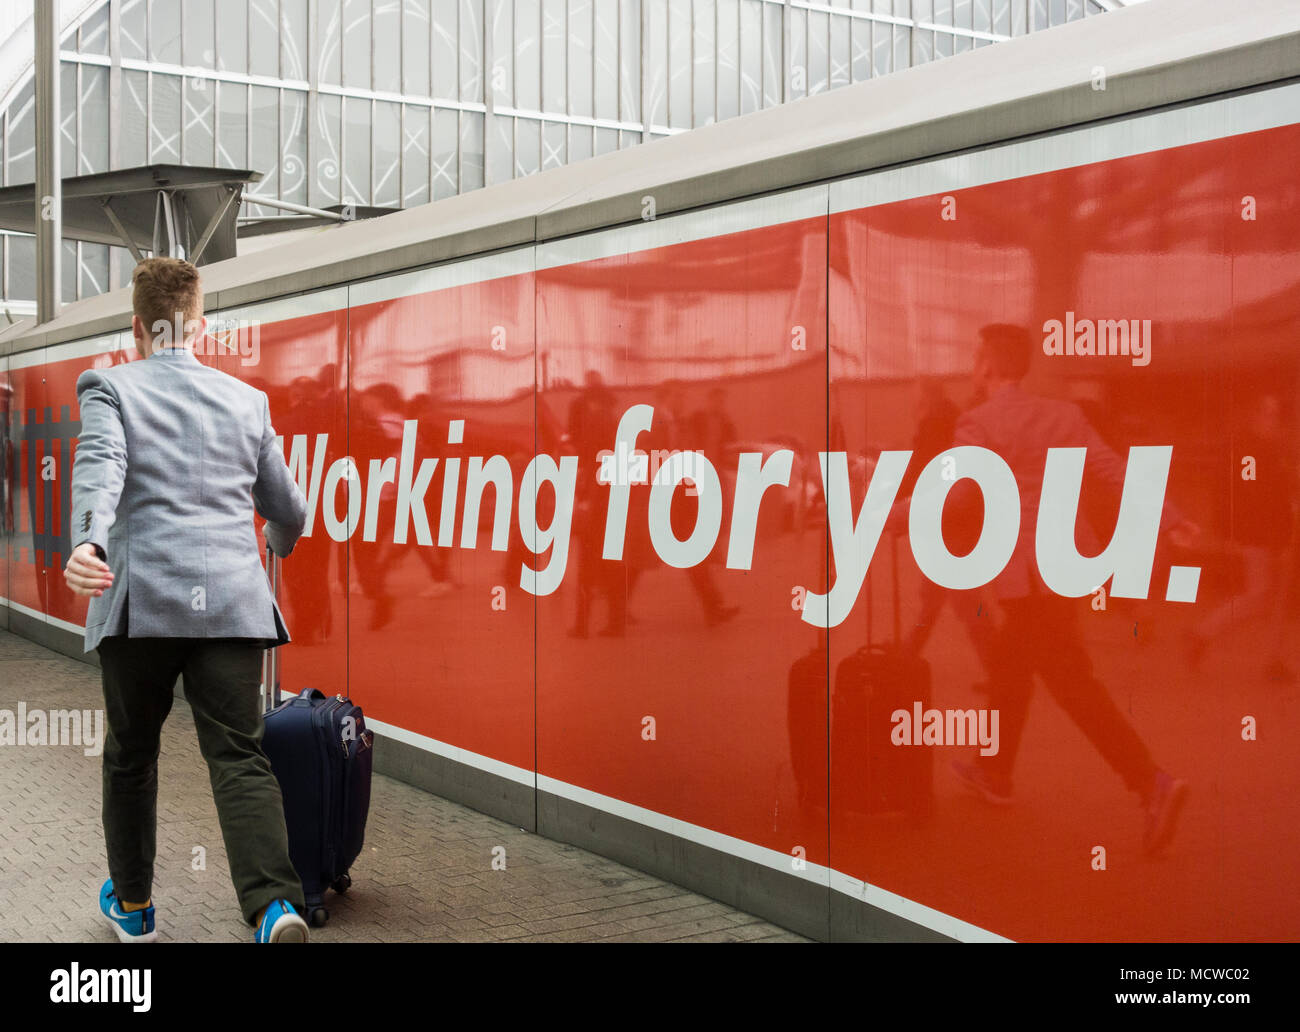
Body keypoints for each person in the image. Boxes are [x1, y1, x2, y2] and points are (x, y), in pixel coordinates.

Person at [63, 257, 310, 942]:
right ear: (199, 325)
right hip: (232, 606)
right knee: (239, 756)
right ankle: (274, 907)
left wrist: (89, 543)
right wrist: (279, 542)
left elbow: (101, 464)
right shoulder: (246, 401)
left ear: (136, 327)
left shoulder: (109, 387)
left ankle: (136, 908)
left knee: (132, 755)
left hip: (141, 603)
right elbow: (288, 506)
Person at [947, 324, 1195, 855]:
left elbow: (955, 497)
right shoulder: (1064, 414)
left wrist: (885, 515)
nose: (972, 365)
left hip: (1024, 578)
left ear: (987, 365)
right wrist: (1169, 517)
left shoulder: (978, 423)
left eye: (975, 356)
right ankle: (994, 774)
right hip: (1064, 567)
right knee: (1012, 669)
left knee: (1070, 683)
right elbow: (1111, 469)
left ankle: (1151, 783)